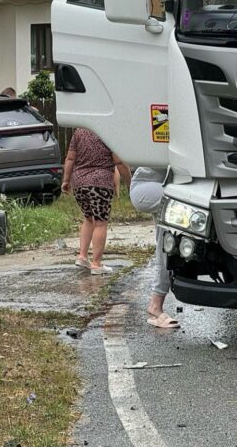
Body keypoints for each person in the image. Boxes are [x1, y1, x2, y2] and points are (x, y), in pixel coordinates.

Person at [61, 128, 129, 274]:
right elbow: (119, 162)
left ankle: (82, 256)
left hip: (79, 183)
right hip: (100, 183)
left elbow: (70, 159)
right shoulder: (107, 132)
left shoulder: (79, 132)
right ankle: (96, 264)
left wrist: (66, 180)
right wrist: (130, 182)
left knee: (88, 218)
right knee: (100, 222)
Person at [129, 166, 179, 328]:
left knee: (166, 242)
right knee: (179, 199)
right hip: (149, 185)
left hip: (169, 185)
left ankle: (156, 305)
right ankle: (155, 305)